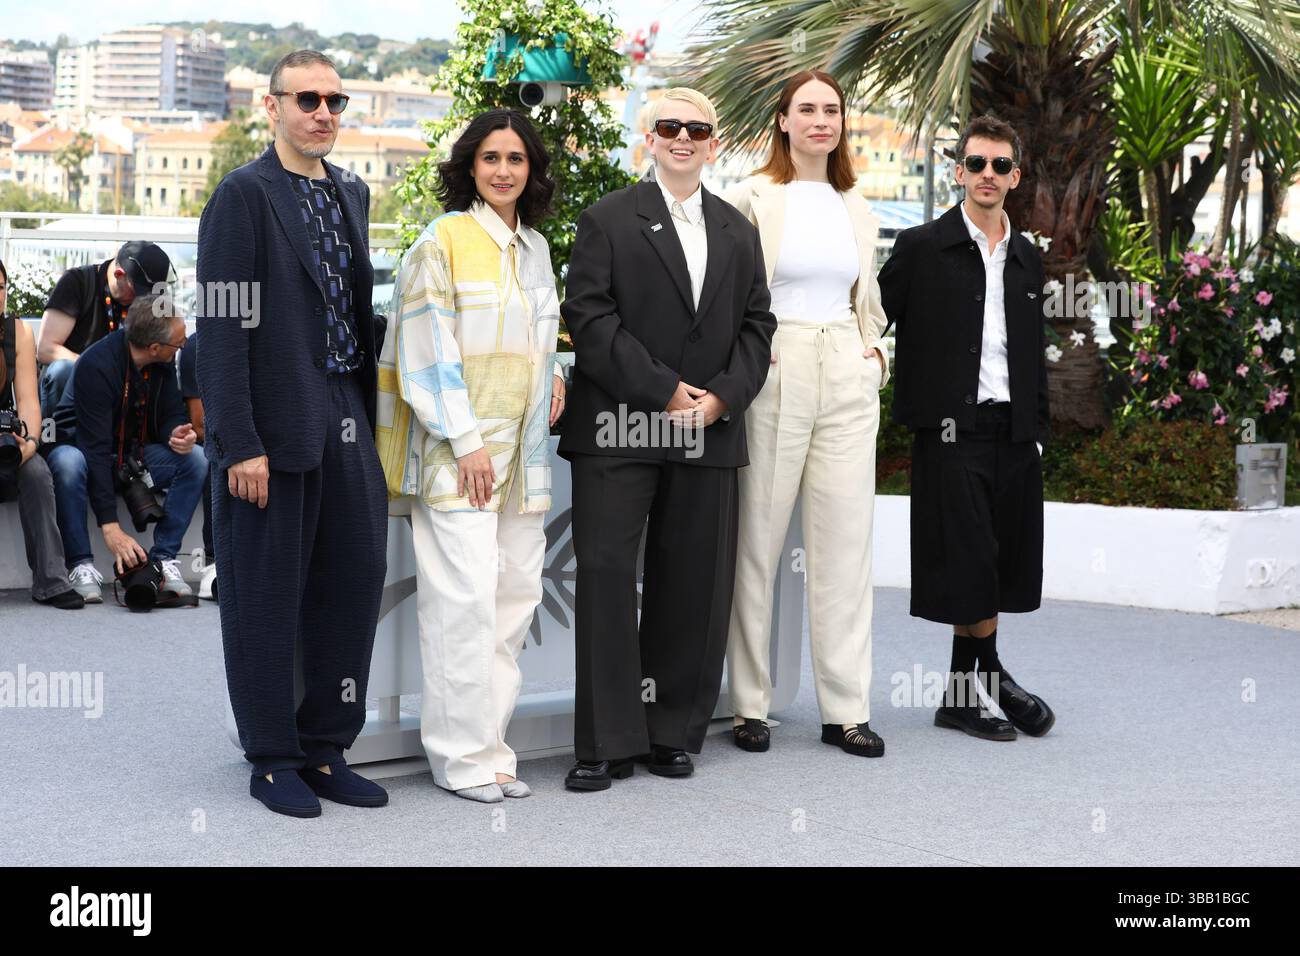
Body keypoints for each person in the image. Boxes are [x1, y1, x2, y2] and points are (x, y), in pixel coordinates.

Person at [559, 87, 776, 791]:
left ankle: (669, 732)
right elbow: (590, 320)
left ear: (715, 142)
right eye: (670, 126)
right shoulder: (606, 218)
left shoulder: (739, 230)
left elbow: (758, 326)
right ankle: (605, 743)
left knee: (694, 585)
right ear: (649, 138)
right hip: (618, 429)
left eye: (698, 128)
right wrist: (662, 391)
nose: (684, 137)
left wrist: (722, 397)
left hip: (709, 431)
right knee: (606, 578)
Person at [197, 49, 389, 818]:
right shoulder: (242, 196)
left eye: (336, 101)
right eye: (307, 99)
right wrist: (238, 442)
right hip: (271, 423)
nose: (323, 113)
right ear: (272, 106)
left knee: (354, 581)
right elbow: (220, 327)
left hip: (347, 411)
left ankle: (326, 747)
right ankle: (273, 757)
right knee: (265, 592)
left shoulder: (352, 192)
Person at [375, 109, 564, 803]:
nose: (503, 170)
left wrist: (556, 375)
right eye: (491, 158)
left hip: (524, 458)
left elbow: (540, 336)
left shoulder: (536, 248)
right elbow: (427, 353)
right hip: (462, 457)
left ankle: (493, 749)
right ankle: (460, 760)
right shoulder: (442, 241)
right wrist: (467, 442)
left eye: (516, 158)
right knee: (463, 605)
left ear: (531, 170)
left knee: (513, 602)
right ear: (469, 168)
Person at [723, 70, 889, 758]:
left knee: (846, 548)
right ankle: (749, 704)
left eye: (832, 110)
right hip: (777, 366)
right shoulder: (752, 196)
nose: (822, 120)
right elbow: (728, 292)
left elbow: (867, 299)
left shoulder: (857, 204)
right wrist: (749, 358)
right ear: (784, 120)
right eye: (808, 109)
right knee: (757, 543)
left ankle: (846, 710)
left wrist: (876, 355)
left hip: (846, 370)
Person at [877, 113, 1056, 741]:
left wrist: (1037, 427)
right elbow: (872, 317)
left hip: (1014, 432)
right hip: (951, 431)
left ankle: (959, 696)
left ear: (1015, 176)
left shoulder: (1028, 258)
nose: (988, 174)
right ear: (958, 172)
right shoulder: (922, 247)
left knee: (998, 561)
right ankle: (995, 678)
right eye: (976, 163)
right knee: (971, 559)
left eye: (1000, 165)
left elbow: (1030, 349)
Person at [44, 295, 207, 602]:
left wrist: (176, 433)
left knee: (195, 460)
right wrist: (110, 527)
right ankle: (80, 564)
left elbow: (171, 412)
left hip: (130, 453)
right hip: (80, 448)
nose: (183, 345)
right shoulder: (97, 364)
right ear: (154, 347)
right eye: (179, 342)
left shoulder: (161, 362)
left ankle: (163, 559)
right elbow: (94, 449)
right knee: (68, 463)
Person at [0, 258, 84, 608]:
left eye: (0, 288)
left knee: (36, 472)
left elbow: (28, 401)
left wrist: (31, 443)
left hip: (5, 438)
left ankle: (51, 582)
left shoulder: (18, 332)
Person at [37, 241, 173, 418]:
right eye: (139, 292)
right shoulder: (77, 282)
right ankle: (57, 434)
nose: (143, 300)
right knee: (62, 370)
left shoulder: (151, 301)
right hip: (77, 386)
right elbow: (46, 349)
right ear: (119, 274)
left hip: (125, 394)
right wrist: (101, 370)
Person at [174, 328, 217, 600]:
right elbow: (201, 426)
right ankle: (215, 561)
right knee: (218, 453)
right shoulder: (199, 345)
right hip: (221, 440)